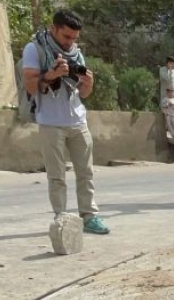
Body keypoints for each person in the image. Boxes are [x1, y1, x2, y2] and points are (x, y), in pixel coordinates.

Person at [21, 8, 109, 235]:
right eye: (66, 37)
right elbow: (30, 86)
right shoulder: (35, 49)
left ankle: (89, 216)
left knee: (86, 173)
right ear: (54, 29)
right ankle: (61, 218)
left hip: (78, 120)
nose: (70, 42)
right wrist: (51, 75)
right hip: (50, 122)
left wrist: (88, 82)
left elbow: (84, 93)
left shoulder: (76, 54)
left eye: (74, 38)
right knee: (57, 175)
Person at [159, 56, 174, 140]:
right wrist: (169, 70)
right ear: (167, 63)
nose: (173, 65)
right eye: (171, 63)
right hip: (166, 97)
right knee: (167, 116)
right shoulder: (162, 70)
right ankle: (172, 134)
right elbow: (165, 78)